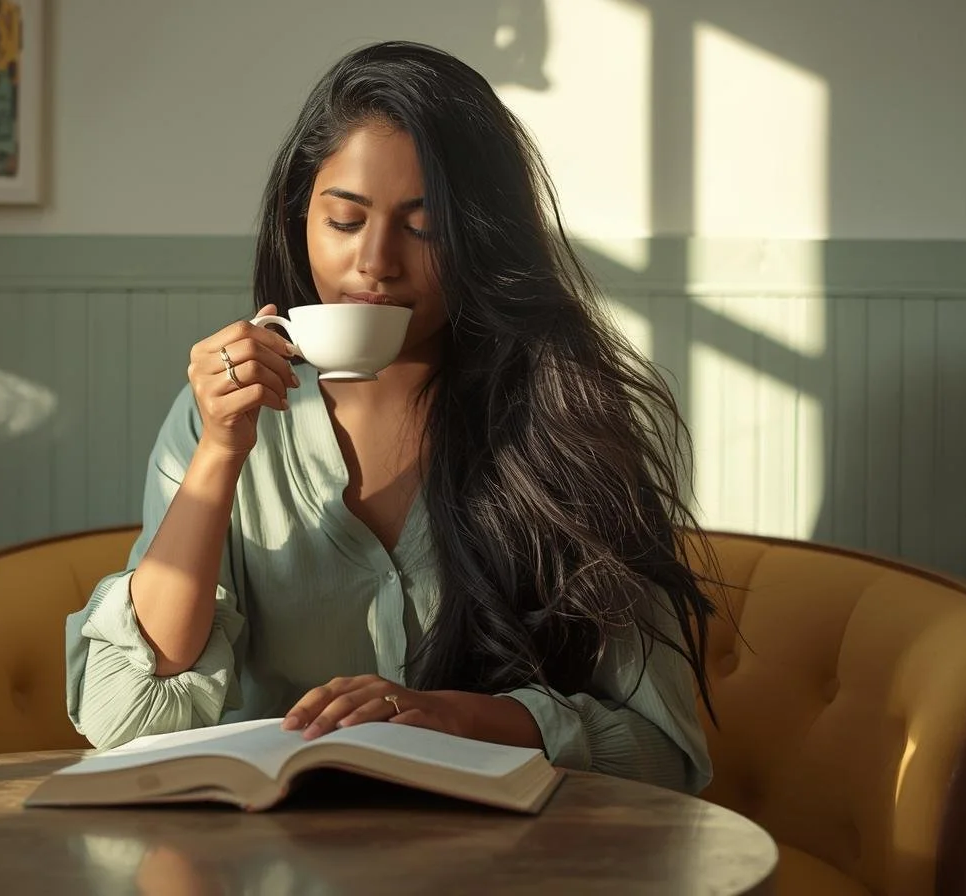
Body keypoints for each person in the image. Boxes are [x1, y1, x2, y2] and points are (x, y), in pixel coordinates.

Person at [64, 40, 717, 793]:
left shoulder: (567, 426)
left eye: (424, 227)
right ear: (298, 216)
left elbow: (662, 751)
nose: (376, 262)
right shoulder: (223, 416)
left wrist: (459, 718)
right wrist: (219, 450)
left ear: (482, 235)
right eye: (344, 221)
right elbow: (133, 711)